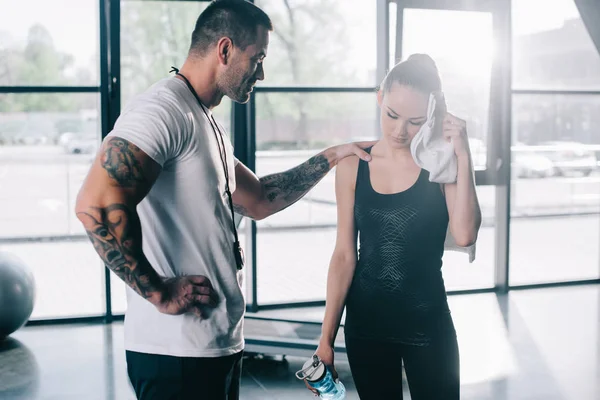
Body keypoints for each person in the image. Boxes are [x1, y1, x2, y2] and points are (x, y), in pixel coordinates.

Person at [74, 1, 373, 399]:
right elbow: (95, 203)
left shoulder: (202, 120)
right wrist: (157, 291)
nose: (261, 73)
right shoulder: (163, 109)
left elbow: (261, 199)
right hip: (176, 352)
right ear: (226, 50)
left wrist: (333, 156)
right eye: (258, 58)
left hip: (215, 346)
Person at [309, 54, 482, 400]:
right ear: (380, 98)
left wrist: (463, 154)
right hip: (366, 328)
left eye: (416, 121)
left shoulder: (441, 162)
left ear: (433, 115)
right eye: (392, 115)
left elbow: (465, 234)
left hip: (428, 325)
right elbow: (344, 255)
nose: (400, 131)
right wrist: (325, 339)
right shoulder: (353, 163)